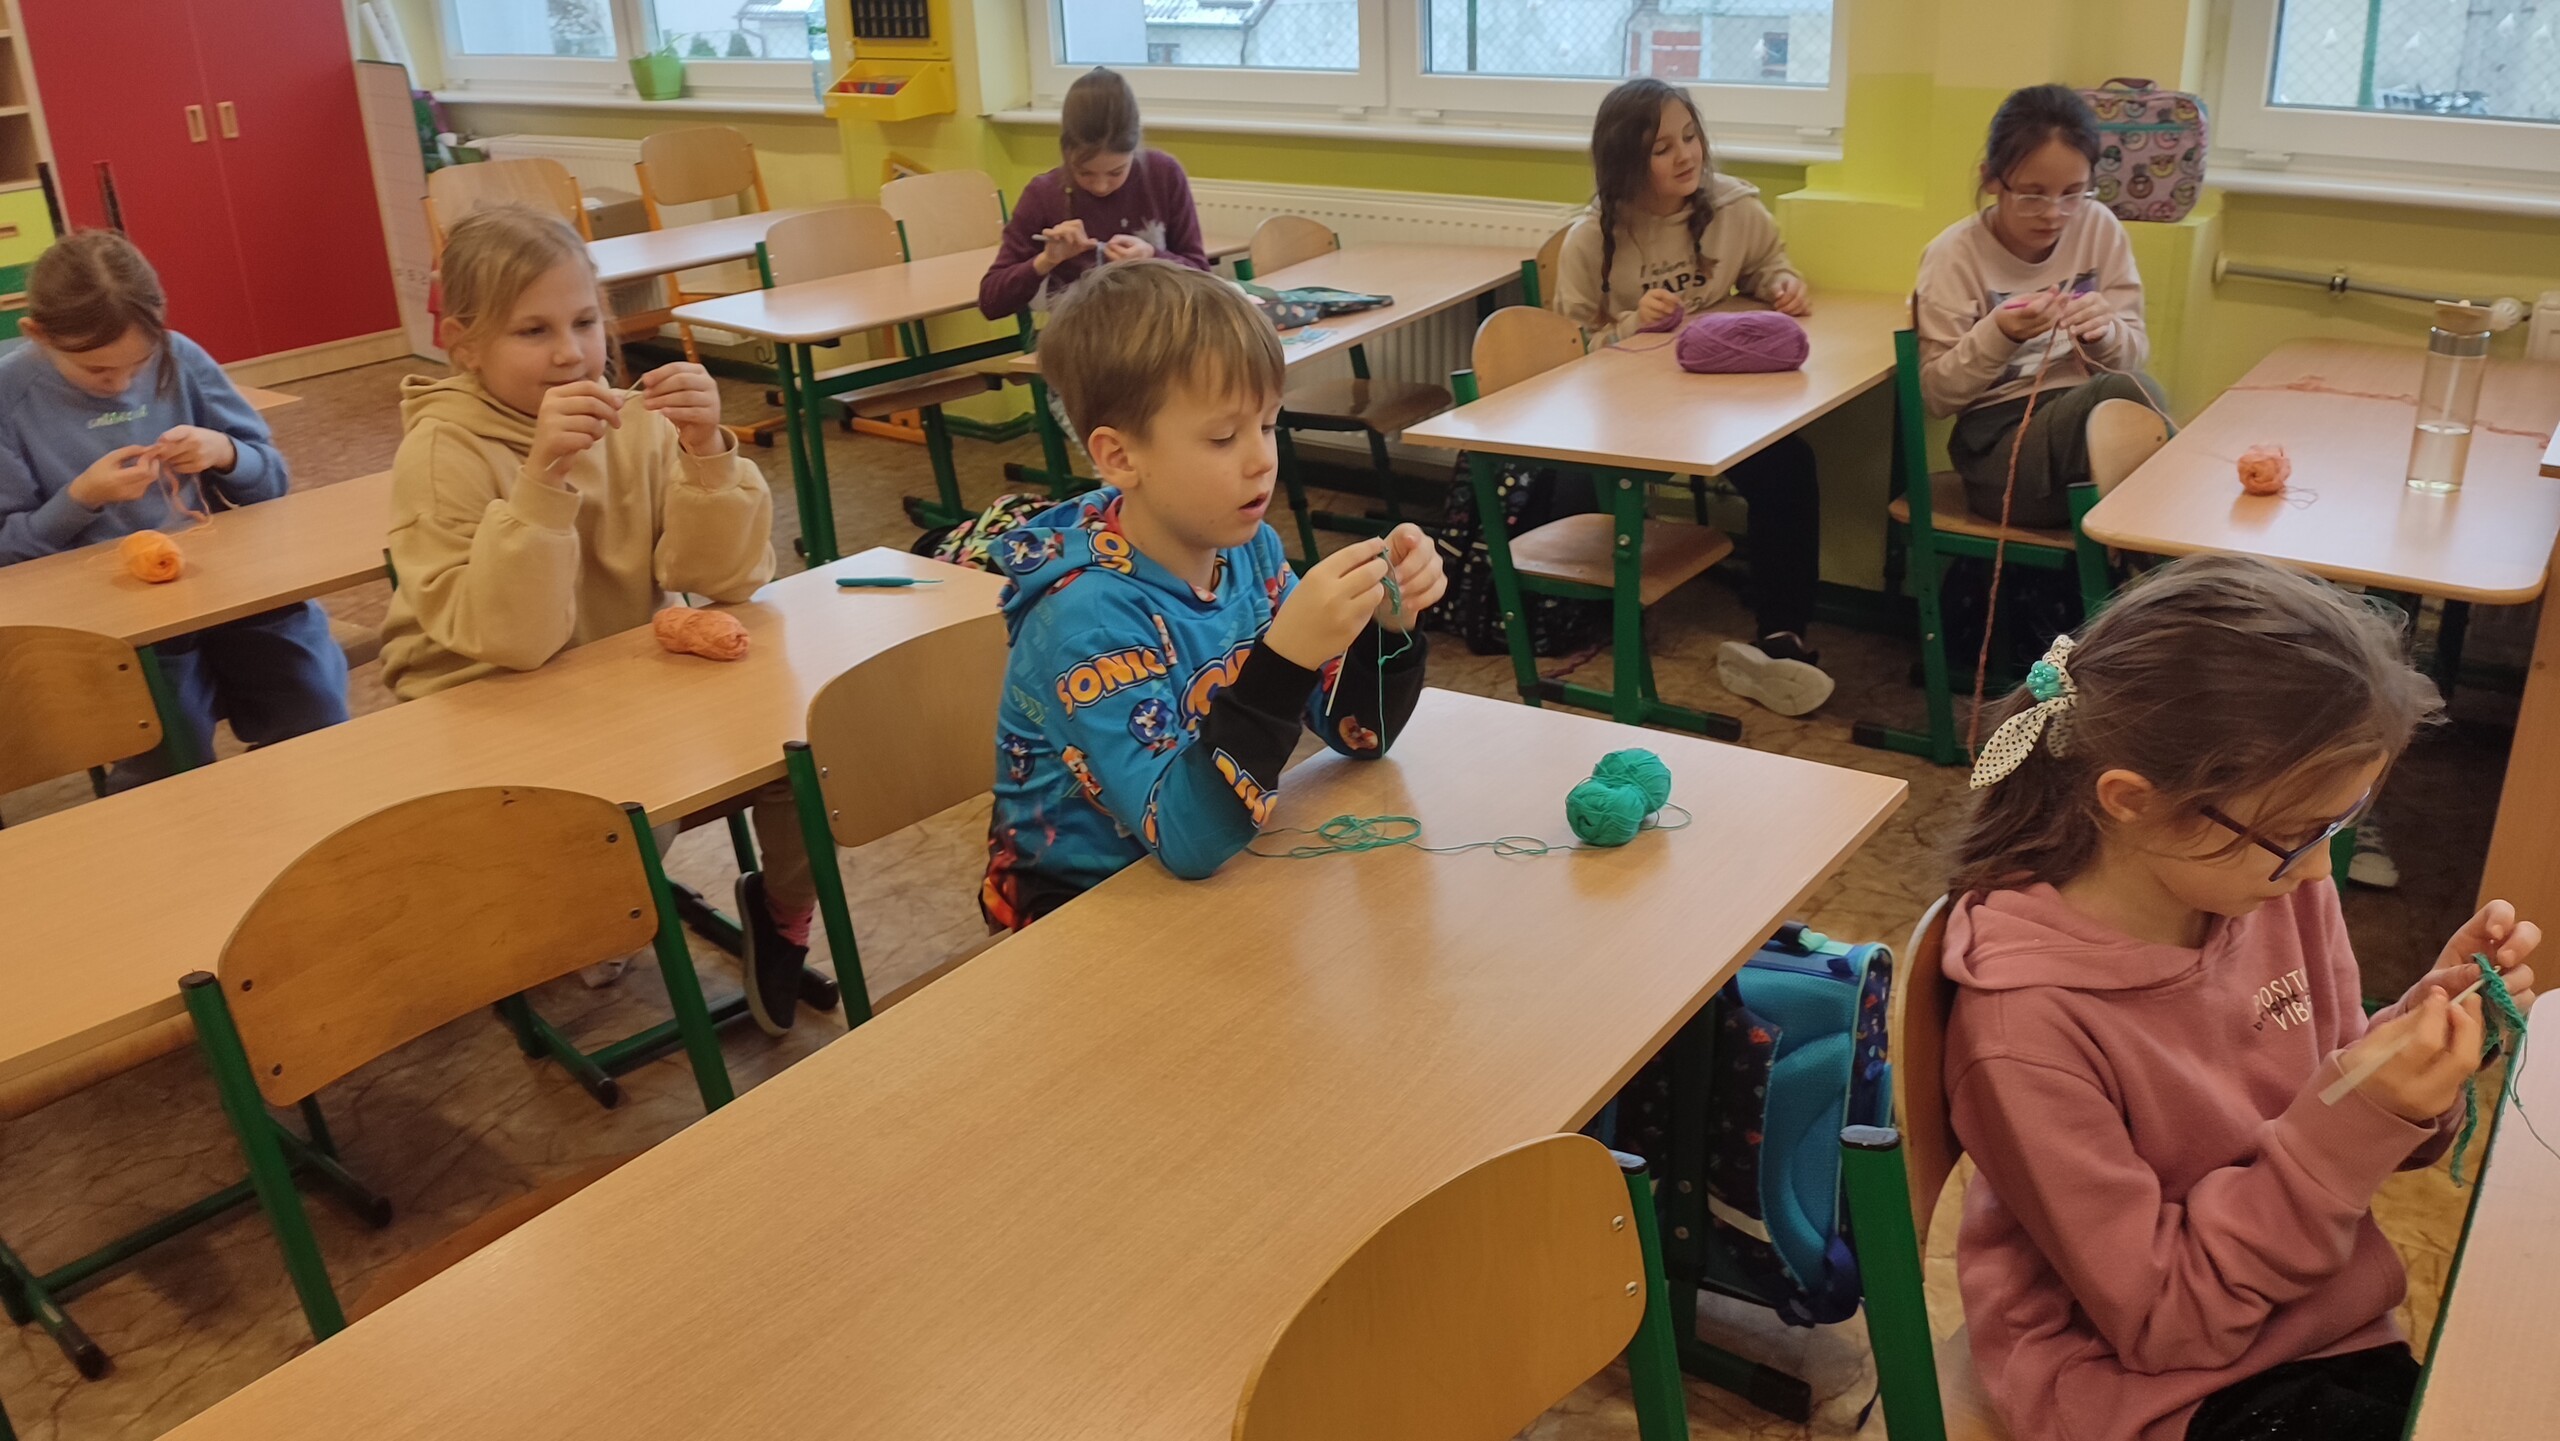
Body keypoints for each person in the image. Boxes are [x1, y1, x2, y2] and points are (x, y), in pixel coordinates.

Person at [1942, 552, 2538, 1441]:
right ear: (2132, 801)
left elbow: (2335, 1118)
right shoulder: (2023, 1026)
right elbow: (2164, 1321)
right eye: (2300, 832)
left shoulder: (2268, 885)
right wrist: (2361, 1113)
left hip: (2315, 1323)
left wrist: (2422, 1047)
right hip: (2149, 1385)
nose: (2321, 865)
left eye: (2341, 823)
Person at [379, 205, 814, 1033]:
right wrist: (543, 477)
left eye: (584, 322)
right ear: (463, 344)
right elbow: (512, 641)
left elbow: (725, 578)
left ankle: (781, 905)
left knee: (802, 741)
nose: (571, 353)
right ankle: (572, 910)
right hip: (480, 695)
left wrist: (706, 452)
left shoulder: (630, 422)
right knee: (627, 822)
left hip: (610, 674)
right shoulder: (443, 452)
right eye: (532, 330)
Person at [980, 260, 1446, 930]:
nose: (1262, 459)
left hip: (1205, 883)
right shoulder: (1086, 616)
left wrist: (1387, 627)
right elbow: (1187, 841)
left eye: (1268, 425)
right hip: (1076, 919)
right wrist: (1286, 660)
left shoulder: (1246, 549)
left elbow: (1357, 733)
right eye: (1224, 437)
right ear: (1119, 457)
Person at [0, 229, 347, 783]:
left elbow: (272, 481)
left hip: (226, 587)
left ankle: (299, 803)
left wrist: (226, 453)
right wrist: (80, 499)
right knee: (166, 749)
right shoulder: (11, 396)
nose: (121, 384)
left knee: (312, 702)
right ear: (36, 334)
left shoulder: (180, 356)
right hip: (111, 620)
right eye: (96, 371)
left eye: (139, 363)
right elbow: (7, 555)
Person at [1554, 77, 1828, 717]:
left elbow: (1768, 263)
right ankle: (1587, 617)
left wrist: (1783, 285)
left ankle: (1782, 633)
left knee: (1790, 465)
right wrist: (1630, 324)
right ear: (1626, 162)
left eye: (1690, 137)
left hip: (1713, 404)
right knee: (1574, 484)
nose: (1685, 156)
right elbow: (1566, 348)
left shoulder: (1734, 208)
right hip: (1624, 415)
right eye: (1661, 148)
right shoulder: (1591, 238)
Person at [1916, 83, 2161, 528]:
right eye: (2032, 195)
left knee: (2134, 410)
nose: (2054, 213)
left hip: (2086, 445)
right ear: (1992, 179)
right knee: (2130, 398)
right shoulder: (1954, 255)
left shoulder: (2099, 228)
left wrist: (2106, 333)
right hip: (1999, 457)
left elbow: (2132, 354)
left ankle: (2162, 544)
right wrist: (2000, 333)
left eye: (2074, 193)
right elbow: (1934, 396)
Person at [978, 66, 1210, 319]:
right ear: (1066, 152)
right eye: (1084, 173)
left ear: (1134, 150)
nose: (1101, 186)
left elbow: (1203, 278)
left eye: (1116, 172)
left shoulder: (1163, 174)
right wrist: (1046, 260)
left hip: (1158, 328)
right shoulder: (1043, 194)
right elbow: (991, 302)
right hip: (1081, 334)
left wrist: (1152, 257)